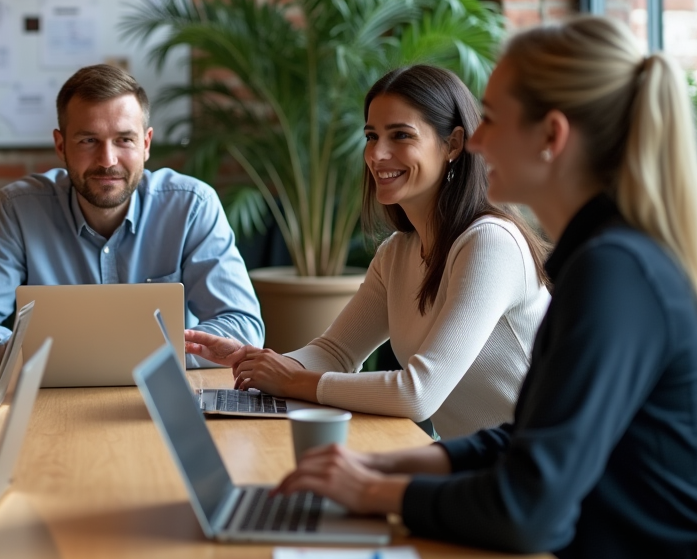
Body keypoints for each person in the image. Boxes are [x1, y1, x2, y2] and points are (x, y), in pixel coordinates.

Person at [275, 16, 697, 559]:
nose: (474, 140)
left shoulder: (616, 273)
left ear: (551, 136)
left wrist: (375, 490)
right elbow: (529, 436)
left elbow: (528, 506)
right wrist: (381, 465)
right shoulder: (601, 260)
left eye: (492, 119)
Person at [188, 65, 550, 439]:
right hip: (479, 467)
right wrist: (255, 360)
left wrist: (293, 381)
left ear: (454, 144)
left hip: (545, 479)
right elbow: (335, 352)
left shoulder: (490, 243)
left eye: (401, 135)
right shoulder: (398, 252)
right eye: (371, 136)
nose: (378, 154)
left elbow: (417, 395)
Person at [0, 64, 264, 368]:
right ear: (61, 146)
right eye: (89, 140)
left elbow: (242, 328)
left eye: (124, 140)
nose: (107, 160)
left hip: (168, 398)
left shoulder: (192, 206)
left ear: (146, 144)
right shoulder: (18, 208)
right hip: (51, 405)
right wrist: (34, 353)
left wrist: (114, 354)